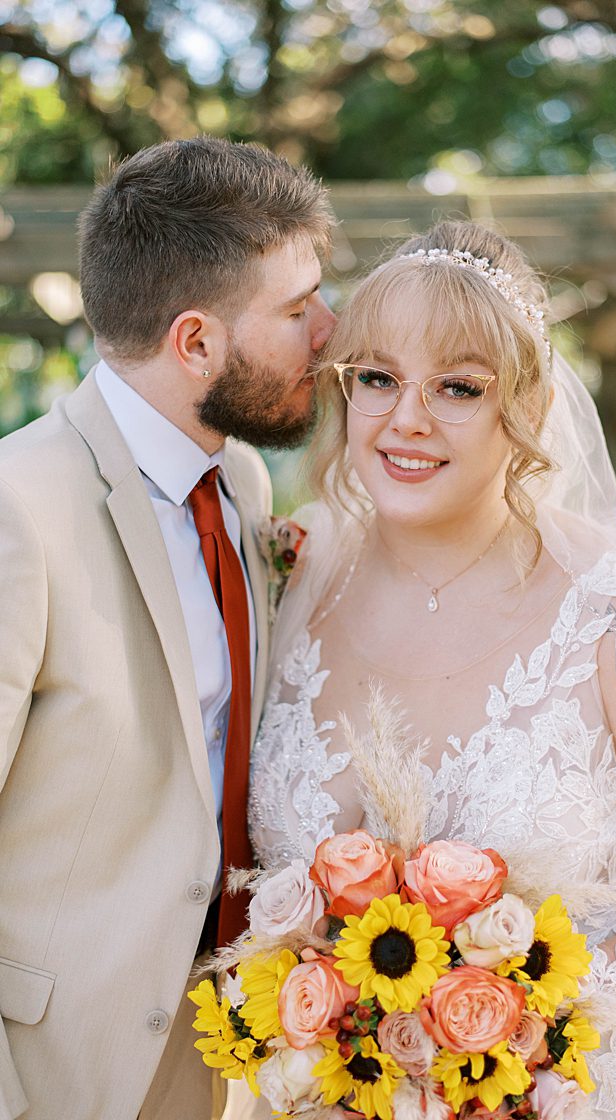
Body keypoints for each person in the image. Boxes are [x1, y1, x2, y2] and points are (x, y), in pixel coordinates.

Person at [243, 220, 616, 1119]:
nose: (408, 418)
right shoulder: (290, 575)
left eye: (458, 388)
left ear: (529, 401)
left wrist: (538, 1015)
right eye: (376, 379)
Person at [0, 137, 335, 1120]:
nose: (330, 328)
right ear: (195, 342)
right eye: (295, 307)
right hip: (56, 1065)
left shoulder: (243, 482)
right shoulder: (18, 509)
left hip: (213, 1059)